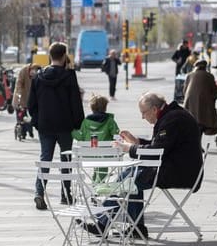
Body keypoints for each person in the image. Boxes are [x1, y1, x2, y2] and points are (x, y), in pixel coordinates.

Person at [80, 92, 203, 238]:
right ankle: (135, 228)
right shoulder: (170, 115)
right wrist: (137, 142)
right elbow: (160, 146)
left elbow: (157, 150)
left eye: (143, 113)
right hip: (176, 167)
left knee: (129, 180)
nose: (142, 117)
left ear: (154, 110)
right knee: (129, 175)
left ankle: (106, 223)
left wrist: (128, 148)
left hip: (179, 172)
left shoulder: (172, 119)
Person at [28, 42, 85, 210]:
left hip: (45, 125)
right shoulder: (69, 76)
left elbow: (32, 104)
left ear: (50, 56)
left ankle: (39, 192)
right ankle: (66, 195)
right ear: (64, 56)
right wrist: (78, 123)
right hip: (65, 125)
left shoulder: (39, 76)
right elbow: (75, 102)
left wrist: (37, 121)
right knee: (65, 159)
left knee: (45, 158)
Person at [72, 94, 120, 182]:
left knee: (97, 162)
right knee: (102, 162)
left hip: (88, 155)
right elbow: (116, 135)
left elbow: (80, 137)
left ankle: (96, 184)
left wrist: (71, 131)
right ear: (105, 107)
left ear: (92, 108)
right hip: (106, 155)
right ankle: (99, 184)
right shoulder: (110, 121)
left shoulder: (86, 122)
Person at [183, 59, 217, 137]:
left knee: (193, 122)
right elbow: (214, 91)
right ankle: (198, 144)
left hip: (190, 103)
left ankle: (195, 142)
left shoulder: (189, 75)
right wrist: (215, 98)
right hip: (204, 103)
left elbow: (184, 90)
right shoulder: (209, 76)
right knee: (202, 122)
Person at [12, 63, 41, 139]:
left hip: (31, 98)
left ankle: (29, 131)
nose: (33, 75)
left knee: (29, 116)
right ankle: (23, 132)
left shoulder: (39, 73)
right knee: (21, 115)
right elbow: (19, 84)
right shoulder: (23, 71)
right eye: (32, 73)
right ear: (30, 69)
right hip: (22, 96)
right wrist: (19, 94)